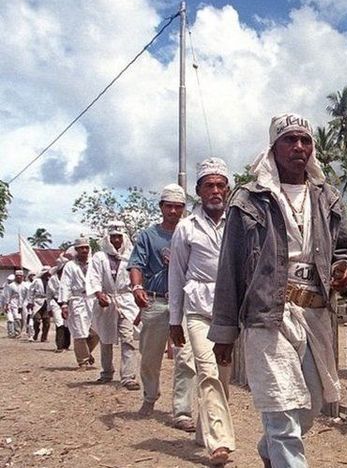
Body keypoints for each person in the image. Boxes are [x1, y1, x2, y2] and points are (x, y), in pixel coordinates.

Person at [209, 113, 347, 467]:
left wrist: (345, 270)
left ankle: (270, 449)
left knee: (310, 404)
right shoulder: (248, 199)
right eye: (289, 140)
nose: (299, 147)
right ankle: (282, 449)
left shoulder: (327, 197)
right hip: (267, 315)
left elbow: (344, 249)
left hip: (314, 313)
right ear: (274, 148)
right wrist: (225, 331)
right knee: (282, 407)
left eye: (305, 140)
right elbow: (229, 267)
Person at [169, 157, 236, 465]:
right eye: (209, 185)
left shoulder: (238, 223)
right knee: (207, 372)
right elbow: (177, 275)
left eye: (221, 185)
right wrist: (174, 320)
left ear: (228, 189)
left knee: (223, 375)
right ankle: (219, 442)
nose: (215, 191)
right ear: (198, 191)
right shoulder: (186, 228)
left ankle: (204, 430)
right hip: (196, 309)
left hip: (228, 311)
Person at [128, 183, 196, 432]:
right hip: (157, 300)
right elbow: (136, 264)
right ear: (161, 207)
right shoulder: (149, 235)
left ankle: (182, 411)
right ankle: (150, 396)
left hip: (186, 301)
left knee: (185, 357)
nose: (174, 211)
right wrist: (137, 288)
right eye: (170, 206)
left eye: (179, 207)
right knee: (150, 355)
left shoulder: (190, 232)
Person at [87, 221, 140, 390]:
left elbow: (138, 274)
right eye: (113, 237)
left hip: (126, 300)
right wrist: (98, 293)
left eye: (119, 237)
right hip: (107, 299)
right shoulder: (99, 257)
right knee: (106, 337)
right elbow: (93, 277)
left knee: (128, 338)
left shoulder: (131, 255)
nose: (116, 240)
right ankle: (106, 372)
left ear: (124, 238)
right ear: (107, 238)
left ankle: (128, 376)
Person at [60, 238, 99, 370]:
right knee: (80, 332)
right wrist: (64, 304)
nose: (84, 250)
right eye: (81, 248)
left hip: (93, 299)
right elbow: (65, 285)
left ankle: (86, 352)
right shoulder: (70, 266)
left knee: (97, 331)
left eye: (86, 247)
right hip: (77, 300)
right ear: (76, 250)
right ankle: (83, 361)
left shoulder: (94, 263)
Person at [48, 257, 71, 352]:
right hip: (56, 302)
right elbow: (49, 294)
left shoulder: (69, 277)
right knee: (59, 323)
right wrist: (49, 308)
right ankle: (60, 346)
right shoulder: (53, 279)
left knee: (67, 324)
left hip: (68, 303)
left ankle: (66, 344)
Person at [28, 267, 52, 342]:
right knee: (37, 320)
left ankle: (44, 337)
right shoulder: (36, 281)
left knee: (47, 321)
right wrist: (30, 302)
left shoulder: (50, 281)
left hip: (47, 302)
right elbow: (31, 292)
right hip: (37, 302)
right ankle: (35, 333)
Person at [4, 270, 27, 338]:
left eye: (20, 276)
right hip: (14, 303)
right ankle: (17, 332)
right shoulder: (11, 286)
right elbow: (8, 296)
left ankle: (21, 331)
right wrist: (7, 304)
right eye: (17, 276)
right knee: (16, 317)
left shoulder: (25, 285)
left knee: (23, 318)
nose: (19, 277)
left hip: (24, 303)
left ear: (23, 277)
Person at [2, 273, 22, 338]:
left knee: (17, 317)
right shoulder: (8, 286)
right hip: (10, 304)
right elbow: (7, 296)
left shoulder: (20, 285)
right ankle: (10, 333)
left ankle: (17, 332)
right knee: (10, 319)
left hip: (17, 303)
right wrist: (6, 305)